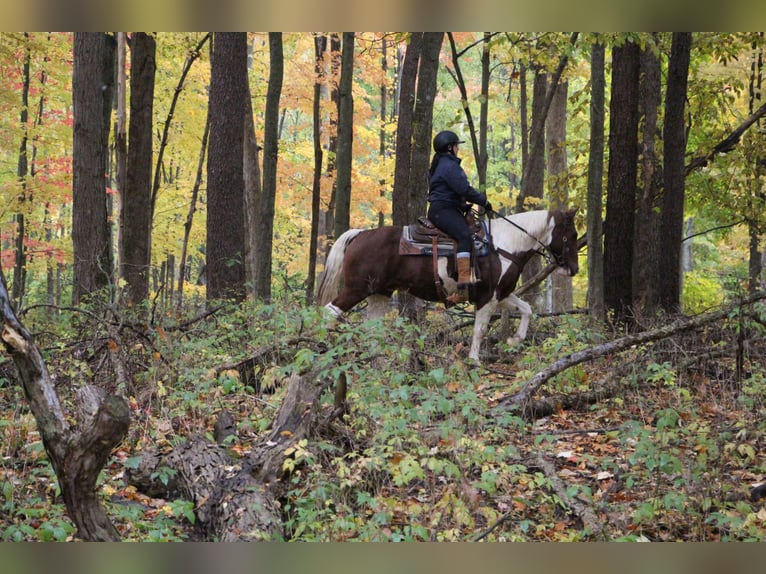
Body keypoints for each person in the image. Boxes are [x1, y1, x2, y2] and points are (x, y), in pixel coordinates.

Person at [427, 130, 492, 303]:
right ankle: (464, 285)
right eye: (456, 145)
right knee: (464, 236)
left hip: (445, 208)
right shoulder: (449, 166)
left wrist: (461, 205)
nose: (458, 149)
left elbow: (446, 191)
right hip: (443, 210)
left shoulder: (441, 164)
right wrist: (484, 202)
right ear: (449, 147)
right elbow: (464, 189)